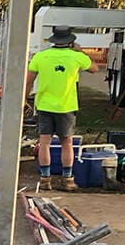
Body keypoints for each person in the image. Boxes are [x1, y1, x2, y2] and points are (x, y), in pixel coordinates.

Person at [26, 26, 92, 190]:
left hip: (45, 105)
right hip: (66, 106)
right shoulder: (76, 57)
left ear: (53, 40)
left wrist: (24, 99)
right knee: (67, 143)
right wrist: (81, 51)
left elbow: (28, 80)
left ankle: (45, 179)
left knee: (44, 143)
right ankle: (67, 179)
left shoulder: (41, 57)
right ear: (70, 41)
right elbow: (94, 68)